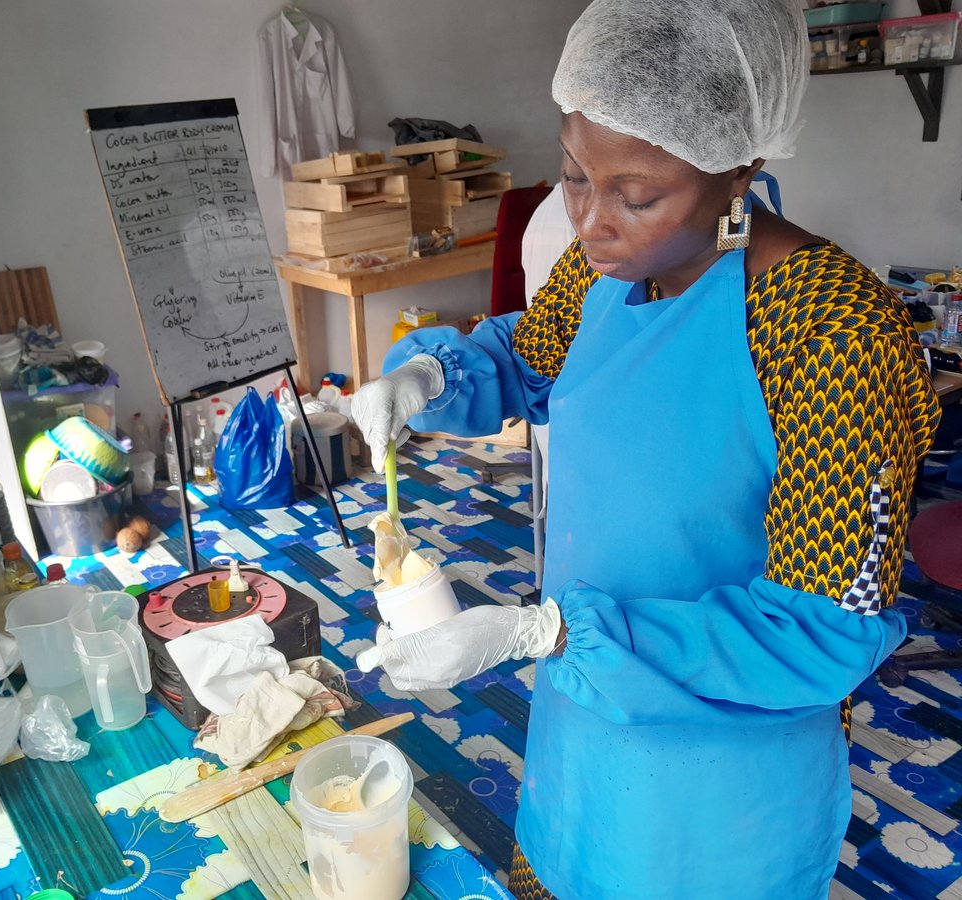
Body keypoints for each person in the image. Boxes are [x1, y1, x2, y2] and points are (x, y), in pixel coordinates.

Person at [352, 1, 942, 897]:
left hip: (718, 786)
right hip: (582, 739)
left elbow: (823, 631)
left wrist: (547, 632)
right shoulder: (613, 272)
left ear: (739, 168)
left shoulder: (832, 332)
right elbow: (530, 351)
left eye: (635, 195)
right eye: (575, 176)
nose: (589, 223)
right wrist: (433, 378)